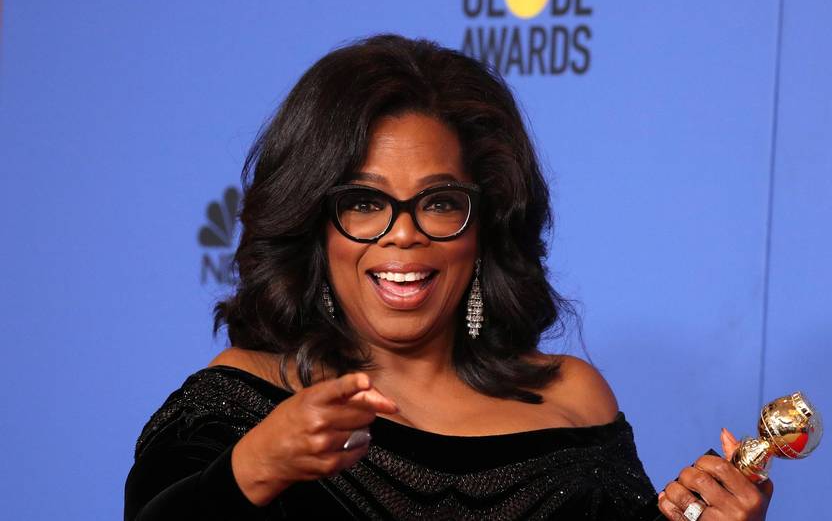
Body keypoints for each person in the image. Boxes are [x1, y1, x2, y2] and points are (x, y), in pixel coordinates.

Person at [124, 35, 772, 521]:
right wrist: (257, 465)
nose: (402, 233)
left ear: (484, 224)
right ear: (314, 226)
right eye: (364, 202)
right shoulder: (239, 403)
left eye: (438, 203)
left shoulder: (573, 402)